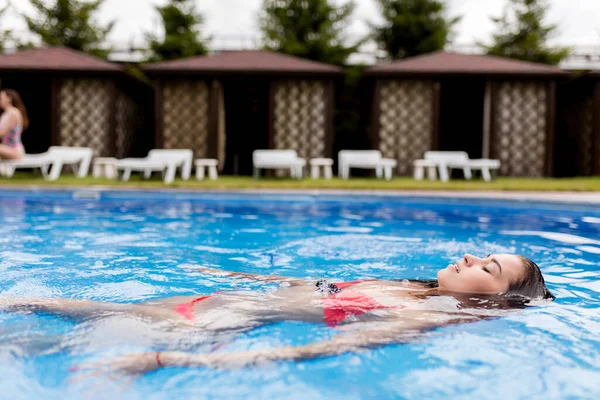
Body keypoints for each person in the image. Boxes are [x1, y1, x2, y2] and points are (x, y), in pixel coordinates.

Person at [0, 254, 554, 376]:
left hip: (206, 328)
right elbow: (311, 287)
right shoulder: (403, 286)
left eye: (490, 266)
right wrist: (241, 278)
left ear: (496, 299)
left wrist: (165, 360)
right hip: (201, 304)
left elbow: (325, 349)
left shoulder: (426, 316)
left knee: (40, 346)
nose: (472, 256)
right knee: (35, 302)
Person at [0, 89, 28, 160]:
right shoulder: (4, 114)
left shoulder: (14, 113)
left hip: (15, 150)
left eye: (1, 98)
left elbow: (2, 133)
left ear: (9, 98)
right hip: (5, 149)